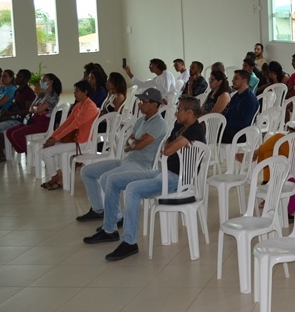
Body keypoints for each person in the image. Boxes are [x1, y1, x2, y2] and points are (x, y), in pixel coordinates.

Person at [84, 96, 206, 261]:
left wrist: (172, 144)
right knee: (112, 180)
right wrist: (175, 143)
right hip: (161, 172)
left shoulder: (195, 130)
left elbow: (167, 151)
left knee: (133, 189)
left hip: (177, 179)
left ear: (190, 112)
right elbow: (166, 145)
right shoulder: (181, 126)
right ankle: (109, 229)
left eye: (179, 110)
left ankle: (129, 242)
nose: (176, 113)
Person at [76, 87, 170, 224]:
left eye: (144, 101)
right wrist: (136, 142)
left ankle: (116, 218)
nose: (139, 104)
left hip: (140, 165)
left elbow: (137, 146)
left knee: (106, 178)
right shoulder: (140, 121)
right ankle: (98, 209)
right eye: (140, 101)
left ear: (154, 104)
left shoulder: (159, 124)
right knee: (87, 171)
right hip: (127, 160)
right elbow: (129, 143)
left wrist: (136, 143)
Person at [39, 80, 101, 191]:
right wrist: (52, 137)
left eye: (77, 91)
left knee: (46, 152)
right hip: (74, 140)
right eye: (74, 91)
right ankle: (59, 177)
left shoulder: (90, 107)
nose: (74, 93)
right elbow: (67, 123)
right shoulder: (79, 106)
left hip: (83, 143)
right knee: (42, 150)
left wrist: (55, 140)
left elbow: (74, 125)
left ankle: (55, 177)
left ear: (85, 92)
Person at [0, 68, 36, 163]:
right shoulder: (18, 91)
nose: (16, 78)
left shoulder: (28, 93)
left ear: (25, 80)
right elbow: (14, 105)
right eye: (17, 76)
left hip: (21, 120)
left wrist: (10, 114)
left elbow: (26, 111)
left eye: (19, 77)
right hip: (13, 116)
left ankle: (1, 154)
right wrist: (4, 113)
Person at [6, 73, 63, 157]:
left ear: (51, 82)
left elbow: (38, 109)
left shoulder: (53, 96)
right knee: (9, 132)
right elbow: (31, 109)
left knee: (16, 134)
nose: (41, 82)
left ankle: (31, 155)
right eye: (41, 80)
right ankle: (26, 151)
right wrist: (36, 109)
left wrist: (36, 109)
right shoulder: (41, 94)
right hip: (33, 120)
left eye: (44, 81)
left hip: (43, 124)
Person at [221, 69, 260, 143]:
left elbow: (245, 122)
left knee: (213, 134)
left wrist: (227, 124)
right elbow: (228, 114)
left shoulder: (251, 99)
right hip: (230, 129)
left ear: (244, 81)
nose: (232, 80)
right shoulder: (236, 96)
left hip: (241, 134)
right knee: (211, 129)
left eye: (236, 78)